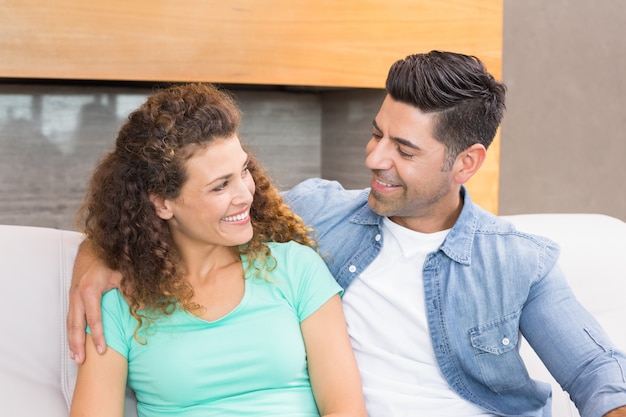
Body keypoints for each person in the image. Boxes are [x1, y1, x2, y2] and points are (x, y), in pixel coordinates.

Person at [68, 52, 626, 417]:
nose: (374, 157)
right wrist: (95, 253)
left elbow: (599, 376)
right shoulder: (316, 213)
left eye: (404, 150)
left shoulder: (519, 262)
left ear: (466, 163)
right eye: (377, 133)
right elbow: (188, 199)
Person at [68, 83, 366, 417]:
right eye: (220, 186)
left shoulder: (296, 267)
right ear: (163, 203)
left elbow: (346, 409)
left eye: (244, 171)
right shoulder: (120, 301)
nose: (245, 195)